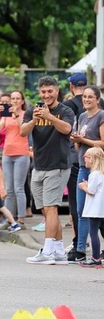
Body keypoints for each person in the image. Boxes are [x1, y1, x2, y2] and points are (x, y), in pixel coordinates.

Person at [22, 76, 74, 265]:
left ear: (57, 91)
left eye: (50, 91)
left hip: (58, 165)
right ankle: (59, 252)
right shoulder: (33, 110)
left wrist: (50, 117)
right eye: (43, 92)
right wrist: (35, 120)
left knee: (51, 208)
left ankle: (48, 251)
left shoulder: (65, 110)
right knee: (46, 210)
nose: (46, 95)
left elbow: (67, 129)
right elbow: (22, 132)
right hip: (39, 165)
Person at [71, 85, 104, 263]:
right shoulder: (82, 116)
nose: (86, 100)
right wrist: (76, 140)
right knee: (81, 209)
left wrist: (83, 139)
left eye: (91, 97)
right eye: (84, 97)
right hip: (83, 164)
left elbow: (102, 143)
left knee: (97, 212)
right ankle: (81, 249)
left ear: (97, 99)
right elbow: (79, 146)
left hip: (97, 168)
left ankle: (94, 251)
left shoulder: (101, 115)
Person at [0, 90, 29, 228]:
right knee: (9, 189)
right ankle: (9, 218)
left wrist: (16, 114)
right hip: (7, 152)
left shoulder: (25, 114)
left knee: (19, 187)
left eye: (17, 98)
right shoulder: (6, 115)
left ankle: (21, 218)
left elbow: (23, 129)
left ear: (22, 101)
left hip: (21, 152)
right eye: (12, 98)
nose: (14, 101)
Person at [77, 147, 104, 268]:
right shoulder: (101, 174)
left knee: (93, 232)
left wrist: (83, 186)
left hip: (94, 209)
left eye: (86, 157)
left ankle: (96, 258)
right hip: (100, 208)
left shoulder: (94, 174)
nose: (84, 159)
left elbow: (91, 191)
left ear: (92, 159)